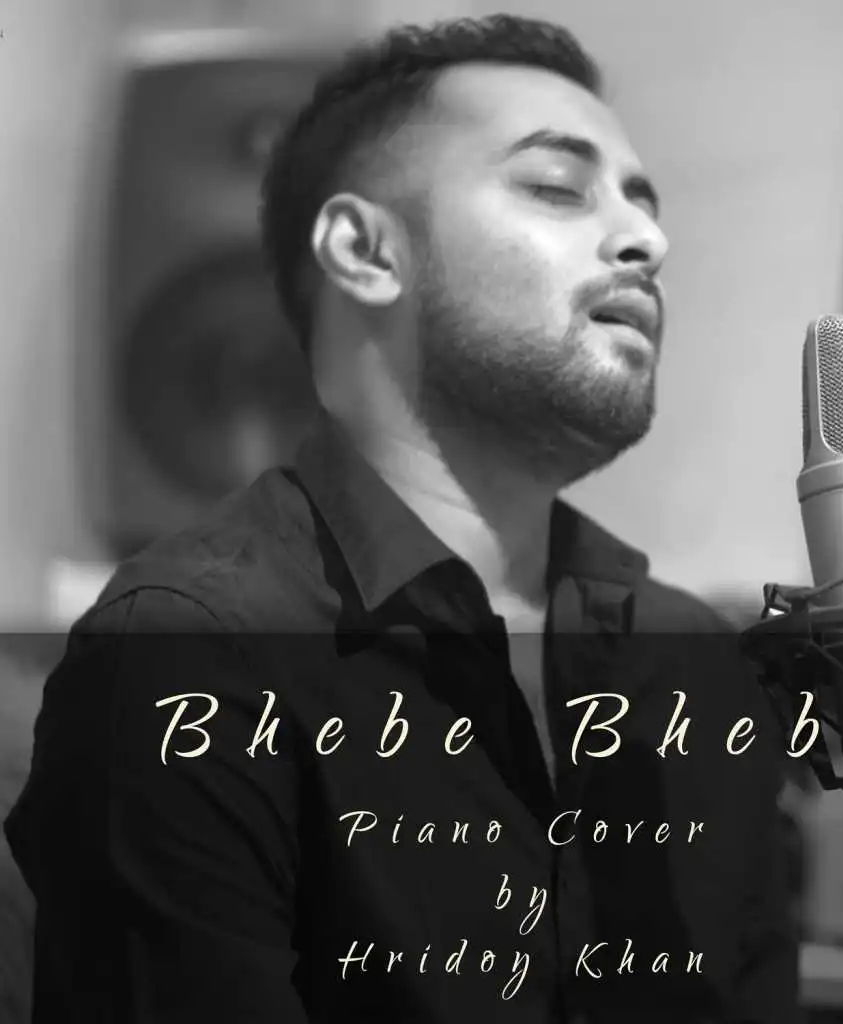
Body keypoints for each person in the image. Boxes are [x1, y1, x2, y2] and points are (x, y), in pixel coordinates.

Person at [5, 14, 798, 1023]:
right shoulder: (192, 653)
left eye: (644, 201)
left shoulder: (691, 663)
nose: (649, 240)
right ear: (364, 249)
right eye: (558, 187)